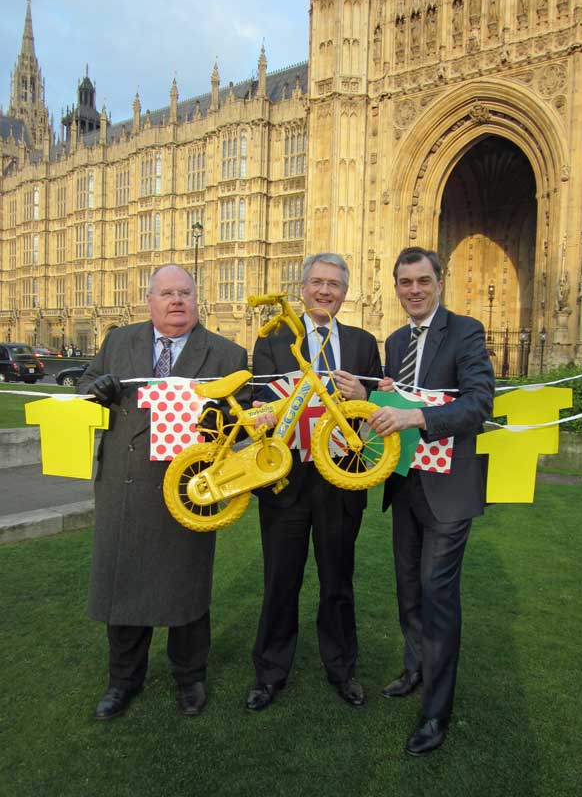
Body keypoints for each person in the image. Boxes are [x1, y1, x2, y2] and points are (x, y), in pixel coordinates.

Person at [78, 264, 248, 721]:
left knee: (186, 591)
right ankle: (122, 681)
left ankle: (190, 679)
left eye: (185, 293)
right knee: (124, 588)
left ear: (198, 300)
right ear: (149, 301)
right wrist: (95, 388)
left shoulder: (228, 355)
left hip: (188, 490)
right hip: (125, 484)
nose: (177, 301)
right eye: (167, 293)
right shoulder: (119, 341)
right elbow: (84, 383)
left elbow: (244, 426)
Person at [367, 247, 494, 756]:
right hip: (407, 484)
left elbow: (479, 403)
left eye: (422, 280)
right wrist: (372, 393)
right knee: (409, 591)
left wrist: (417, 417)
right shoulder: (396, 339)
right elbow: (394, 403)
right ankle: (415, 670)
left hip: (449, 491)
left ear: (439, 281)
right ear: (395, 287)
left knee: (438, 597)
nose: (414, 290)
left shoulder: (465, 331)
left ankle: (436, 714)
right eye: (405, 282)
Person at [246, 253, 382, 711]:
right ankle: (269, 672)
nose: (326, 292)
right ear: (303, 288)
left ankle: (342, 669)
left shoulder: (363, 343)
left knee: (338, 582)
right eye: (318, 283)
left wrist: (365, 395)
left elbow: (378, 408)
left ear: (345, 292)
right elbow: (260, 399)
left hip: (341, 482)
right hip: (286, 479)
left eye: (335, 285)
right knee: (280, 581)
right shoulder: (275, 337)